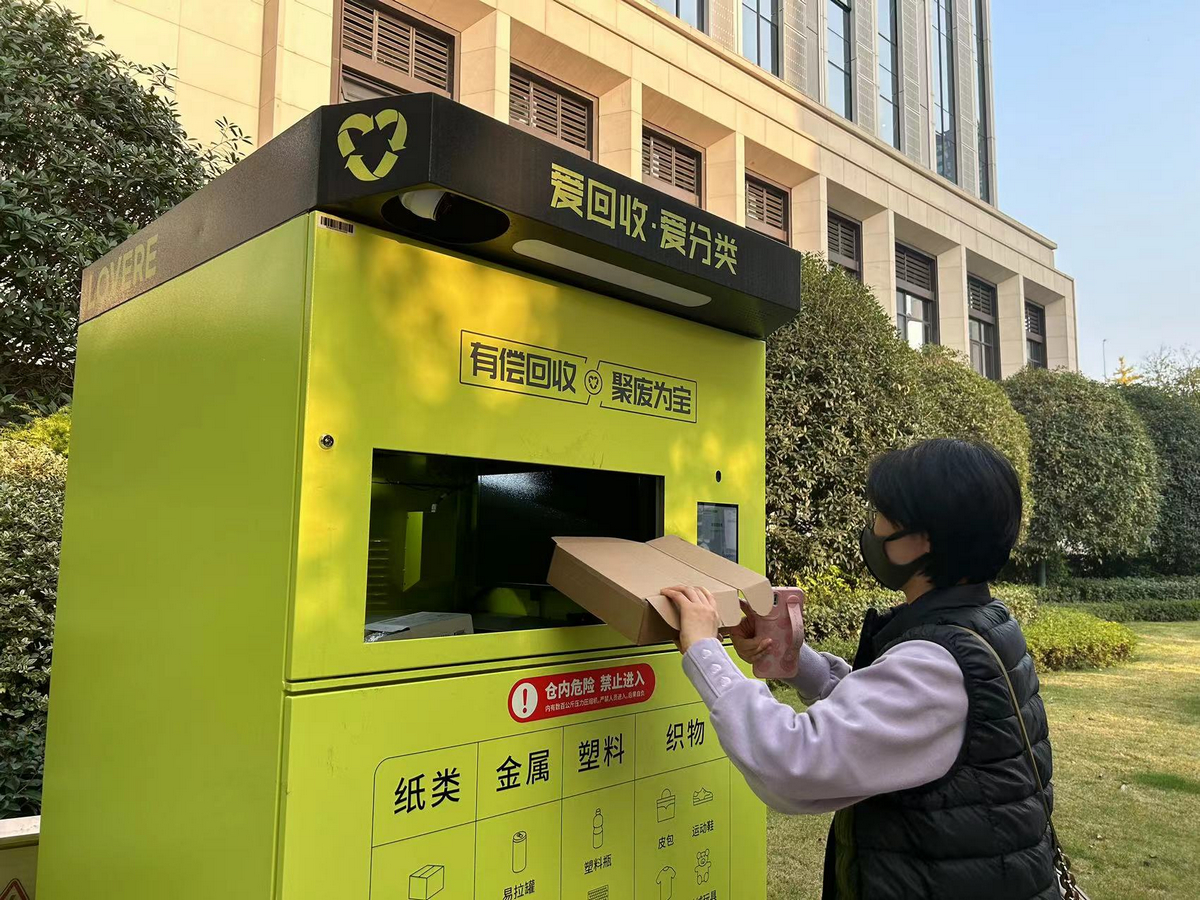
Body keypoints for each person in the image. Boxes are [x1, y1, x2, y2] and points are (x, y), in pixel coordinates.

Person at [663, 439, 1057, 900]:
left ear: (922, 540)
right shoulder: (981, 623)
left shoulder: (937, 664)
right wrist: (792, 660)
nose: (871, 528)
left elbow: (793, 762)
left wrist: (703, 647)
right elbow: (882, 719)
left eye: (881, 515)